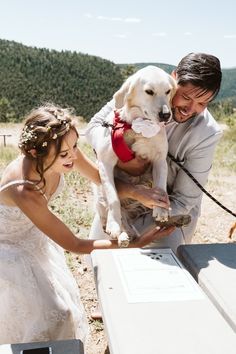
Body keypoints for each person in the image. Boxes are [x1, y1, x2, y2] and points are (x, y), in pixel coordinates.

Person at [0, 104, 174, 345]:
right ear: (34, 151)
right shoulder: (24, 191)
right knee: (45, 316)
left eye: (75, 146)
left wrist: (136, 193)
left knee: (55, 313)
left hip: (33, 238)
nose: (73, 155)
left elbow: (99, 178)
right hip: (9, 251)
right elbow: (76, 243)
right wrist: (134, 243)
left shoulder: (62, 144)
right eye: (64, 154)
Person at [85, 52, 222, 254]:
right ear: (173, 79)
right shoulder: (141, 92)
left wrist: (144, 227)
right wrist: (119, 151)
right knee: (104, 268)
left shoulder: (207, 133)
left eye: (202, 103)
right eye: (185, 97)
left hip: (168, 214)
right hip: (119, 199)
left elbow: (184, 200)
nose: (190, 109)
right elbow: (92, 129)